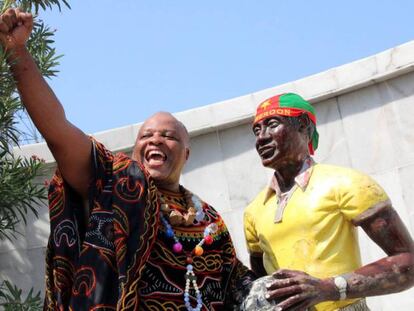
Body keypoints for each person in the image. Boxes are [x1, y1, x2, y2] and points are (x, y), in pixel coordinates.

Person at [0, 8, 255, 310]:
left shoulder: (210, 223)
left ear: (186, 153)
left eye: (169, 136)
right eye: (146, 136)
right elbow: (58, 130)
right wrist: (16, 50)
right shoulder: (118, 182)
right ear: (135, 152)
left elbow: (240, 288)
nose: (156, 140)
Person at [243, 93, 414, 311]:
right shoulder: (254, 211)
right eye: (257, 130)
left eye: (272, 124)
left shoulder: (348, 183)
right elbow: (261, 285)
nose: (261, 137)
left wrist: (328, 288)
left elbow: (407, 261)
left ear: (303, 126)